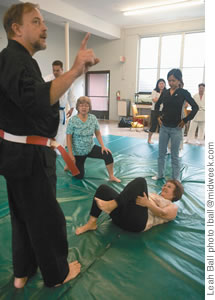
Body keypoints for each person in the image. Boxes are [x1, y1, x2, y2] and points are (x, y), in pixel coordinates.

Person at [0, 2, 99, 289]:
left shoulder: (14, 60)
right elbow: (36, 99)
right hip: (29, 157)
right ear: (17, 29)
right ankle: (56, 274)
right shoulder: (15, 60)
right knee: (46, 218)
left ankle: (23, 271)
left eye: (43, 21)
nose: (44, 27)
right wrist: (75, 70)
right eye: (36, 21)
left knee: (23, 216)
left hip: (17, 154)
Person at [75, 177, 184, 235]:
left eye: (169, 187)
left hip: (136, 223)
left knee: (141, 182)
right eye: (165, 185)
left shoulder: (173, 206)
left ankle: (113, 204)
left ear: (175, 194)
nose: (164, 187)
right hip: (122, 217)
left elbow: (162, 213)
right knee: (103, 189)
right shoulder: (154, 195)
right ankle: (91, 223)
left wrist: (148, 203)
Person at [153, 69, 199, 181]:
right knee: (161, 153)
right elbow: (157, 105)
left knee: (174, 155)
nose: (170, 83)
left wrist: (185, 120)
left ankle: (176, 178)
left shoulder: (184, 93)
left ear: (179, 80)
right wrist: (158, 116)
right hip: (164, 128)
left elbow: (195, 107)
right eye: (169, 80)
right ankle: (160, 174)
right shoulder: (165, 92)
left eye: (173, 80)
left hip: (176, 129)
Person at [65, 96, 121, 182]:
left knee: (107, 154)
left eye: (86, 105)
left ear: (89, 107)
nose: (84, 108)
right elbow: (68, 138)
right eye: (81, 105)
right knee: (79, 176)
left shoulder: (93, 118)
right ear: (77, 107)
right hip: (78, 152)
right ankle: (70, 163)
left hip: (90, 148)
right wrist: (71, 154)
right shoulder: (73, 120)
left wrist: (103, 146)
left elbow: (97, 133)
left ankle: (111, 176)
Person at [45, 60, 77, 147]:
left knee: (61, 132)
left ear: (62, 69)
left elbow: (71, 95)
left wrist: (72, 108)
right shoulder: (47, 79)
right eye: (53, 70)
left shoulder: (67, 80)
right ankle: (49, 150)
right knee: (50, 131)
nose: (55, 72)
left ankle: (58, 151)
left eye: (57, 70)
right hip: (50, 110)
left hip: (61, 111)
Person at [148, 79, 166, 144]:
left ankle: (161, 141)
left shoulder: (166, 92)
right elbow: (154, 100)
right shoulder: (154, 91)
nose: (161, 85)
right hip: (155, 111)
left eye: (163, 83)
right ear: (157, 84)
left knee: (162, 127)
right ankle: (149, 139)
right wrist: (161, 98)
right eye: (160, 83)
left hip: (163, 111)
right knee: (153, 126)